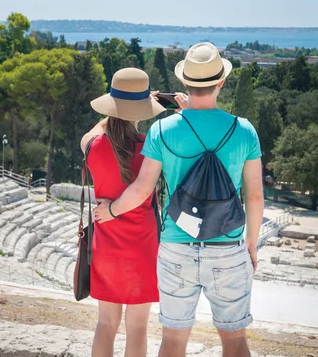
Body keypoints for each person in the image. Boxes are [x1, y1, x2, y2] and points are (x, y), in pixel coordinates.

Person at [94, 43, 264, 357]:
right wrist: (251, 243)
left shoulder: (162, 130)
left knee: (172, 341)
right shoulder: (244, 131)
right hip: (227, 248)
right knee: (235, 340)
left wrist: (111, 210)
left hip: (176, 248)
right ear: (221, 82)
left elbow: (143, 188)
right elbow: (254, 196)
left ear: (184, 83)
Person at [80, 67, 169, 357]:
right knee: (138, 328)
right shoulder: (149, 148)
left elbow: (92, 133)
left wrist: (119, 109)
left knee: (105, 323)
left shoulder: (93, 146)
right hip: (142, 246)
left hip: (106, 243)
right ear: (141, 110)